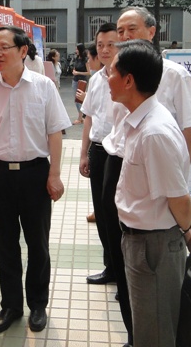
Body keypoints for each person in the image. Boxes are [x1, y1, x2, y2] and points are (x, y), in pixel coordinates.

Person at [101, 6, 191, 347]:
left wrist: (187, 228)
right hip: (139, 240)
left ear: (129, 80)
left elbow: (178, 197)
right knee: (147, 326)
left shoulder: (154, 132)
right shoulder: (138, 121)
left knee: (155, 332)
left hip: (154, 245)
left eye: (112, 72)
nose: (106, 77)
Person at [0, 26, 71, 334]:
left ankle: (38, 304)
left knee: (38, 243)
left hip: (35, 174)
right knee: (4, 245)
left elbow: (55, 132)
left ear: (23, 51)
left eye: (4, 47)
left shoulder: (43, 86)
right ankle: (11, 305)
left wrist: (54, 174)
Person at [79, 23, 119, 285]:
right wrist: (84, 154)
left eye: (110, 45)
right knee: (102, 213)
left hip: (120, 155)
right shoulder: (95, 79)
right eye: (100, 45)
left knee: (118, 214)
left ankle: (124, 273)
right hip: (98, 150)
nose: (104, 50)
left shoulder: (129, 77)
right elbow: (88, 118)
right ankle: (111, 267)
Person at [72, 42, 90, 124]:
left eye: (77, 49)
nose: (76, 51)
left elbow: (88, 72)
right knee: (76, 99)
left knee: (79, 99)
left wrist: (78, 73)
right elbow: (75, 68)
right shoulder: (77, 58)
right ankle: (81, 116)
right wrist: (74, 71)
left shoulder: (85, 60)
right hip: (75, 80)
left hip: (82, 81)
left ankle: (80, 117)